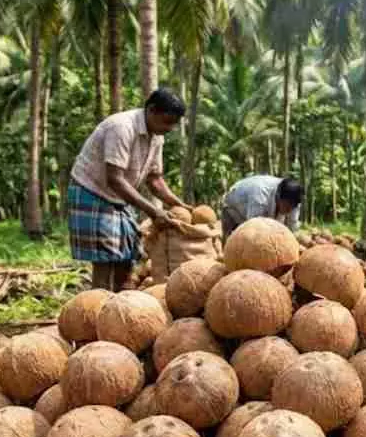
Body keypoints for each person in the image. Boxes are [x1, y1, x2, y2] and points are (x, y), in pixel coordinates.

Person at [68, 88, 189, 290]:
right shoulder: (122, 127)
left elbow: (155, 180)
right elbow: (115, 179)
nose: (170, 128)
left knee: (127, 256)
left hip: (117, 197)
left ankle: (121, 306)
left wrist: (180, 204)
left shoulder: (157, 136)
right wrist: (154, 211)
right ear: (151, 110)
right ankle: (99, 308)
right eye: (167, 121)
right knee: (106, 259)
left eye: (174, 123)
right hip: (93, 191)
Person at [219, 175, 306, 241]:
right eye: (287, 206)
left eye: (292, 207)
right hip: (233, 208)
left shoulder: (295, 201)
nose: (289, 210)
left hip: (253, 212)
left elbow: (291, 230)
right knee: (232, 243)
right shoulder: (260, 195)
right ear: (278, 196)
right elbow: (254, 229)